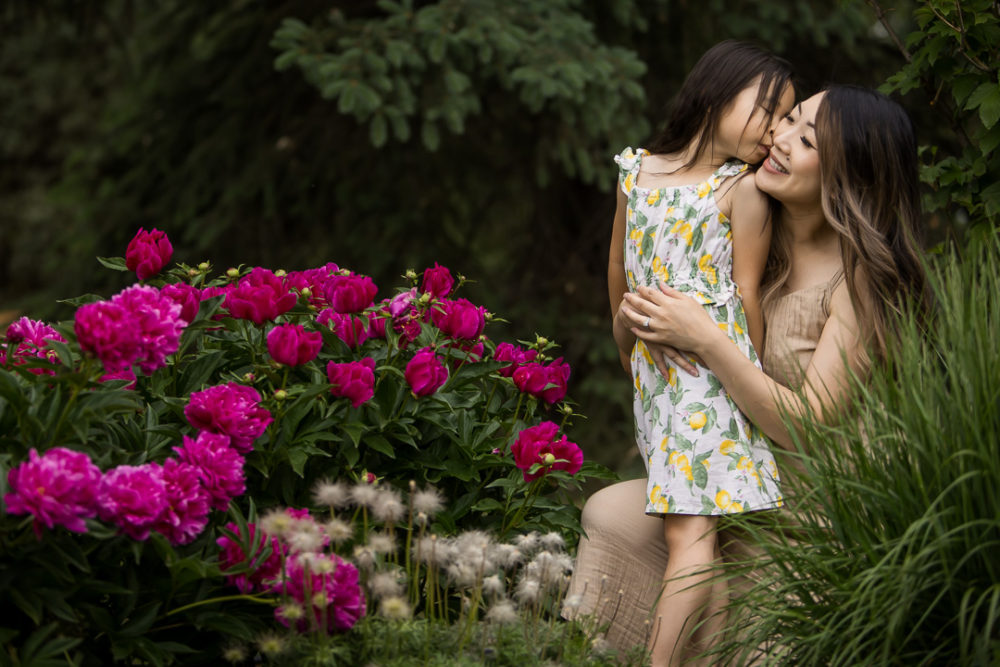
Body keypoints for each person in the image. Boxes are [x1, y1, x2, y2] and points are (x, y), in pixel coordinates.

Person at [566, 85, 929, 662]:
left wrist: (707, 339)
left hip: (808, 514)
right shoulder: (754, 227)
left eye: (806, 139)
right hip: (730, 481)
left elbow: (808, 428)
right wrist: (634, 323)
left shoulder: (861, 285)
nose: (778, 139)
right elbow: (658, 359)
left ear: (849, 174)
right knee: (608, 511)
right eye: (788, 119)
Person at [606, 41, 795, 667]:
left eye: (786, 117)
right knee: (701, 536)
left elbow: (747, 296)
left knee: (688, 535)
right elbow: (618, 277)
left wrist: (746, 384)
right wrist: (629, 335)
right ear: (716, 91)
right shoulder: (636, 174)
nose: (774, 131)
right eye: (768, 109)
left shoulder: (740, 190)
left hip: (709, 383)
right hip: (657, 386)